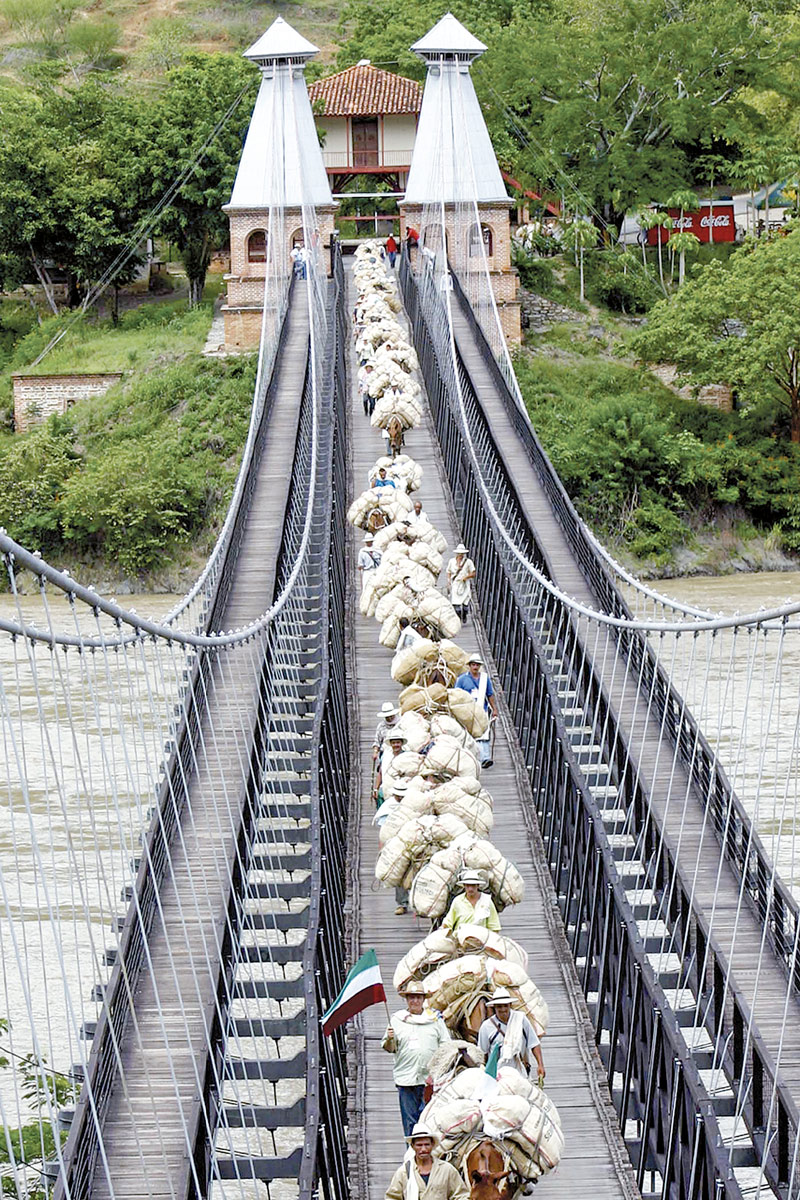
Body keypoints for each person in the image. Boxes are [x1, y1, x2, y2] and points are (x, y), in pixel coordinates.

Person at [382, 988, 451, 1137]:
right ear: (406, 1000)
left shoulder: (435, 1020)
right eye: (411, 998)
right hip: (406, 1079)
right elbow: (390, 1048)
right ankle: (411, 1157)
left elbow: (446, 1047)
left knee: (430, 1120)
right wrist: (389, 1038)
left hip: (430, 1080)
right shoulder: (397, 1020)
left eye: (418, 998)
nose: (415, 1001)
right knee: (410, 1121)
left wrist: (436, 1072)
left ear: (423, 1000)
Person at [477, 989, 545, 1081]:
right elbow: (483, 1053)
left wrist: (540, 1065)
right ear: (494, 1007)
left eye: (505, 1006)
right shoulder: (486, 1027)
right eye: (499, 1007)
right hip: (498, 1075)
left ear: (510, 1005)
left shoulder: (521, 1020)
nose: (503, 1009)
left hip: (521, 1072)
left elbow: (534, 1044)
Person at [386, 1123, 467, 1200]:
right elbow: (392, 1197)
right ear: (412, 1146)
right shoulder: (403, 1173)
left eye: (427, 1144)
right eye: (419, 1145)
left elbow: (461, 1195)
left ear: (432, 1145)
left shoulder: (447, 1170)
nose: (423, 1149)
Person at [455, 654, 498, 767]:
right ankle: (475, 757)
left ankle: (485, 757)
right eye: (473, 664)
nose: (475, 667)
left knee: (484, 733)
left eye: (477, 665)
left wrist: (494, 709)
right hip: (467, 711)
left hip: (482, 709)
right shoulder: (462, 680)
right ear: (469, 666)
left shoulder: (485, 679)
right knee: (471, 735)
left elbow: (490, 695)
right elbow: (456, 695)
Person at [441, 870, 500, 935]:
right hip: (460, 939)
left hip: (480, 939)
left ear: (478, 886)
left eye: (473, 885)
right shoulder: (458, 901)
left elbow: (494, 926)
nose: (470, 889)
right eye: (468, 886)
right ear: (464, 886)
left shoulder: (486, 900)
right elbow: (448, 922)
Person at [446, 545, 476, 623]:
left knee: (466, 603)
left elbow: (473, 573)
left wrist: (466, 577)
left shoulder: (468, 562)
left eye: (462, 553)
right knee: (456, 603)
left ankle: (464, 614)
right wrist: (449, 580)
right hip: (456, 583)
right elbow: (448, 571)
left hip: (464, 584)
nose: (460, 555)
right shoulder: (451, 561)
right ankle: (458, 618)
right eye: (459, 553)